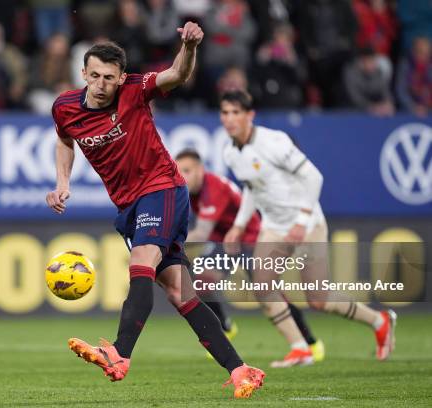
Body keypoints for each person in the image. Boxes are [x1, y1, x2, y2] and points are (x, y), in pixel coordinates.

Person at [46, 24, 265, 399]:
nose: (101, 84)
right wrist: (62, 182)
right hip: (128, 204)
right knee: (182, 294)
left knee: (141, 263)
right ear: (83, 73)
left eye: (109, 78)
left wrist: (188, 46)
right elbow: (65, 140)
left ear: (121, 78)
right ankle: (242, 369)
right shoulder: (65, 107)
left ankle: (119, 354)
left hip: (162, 188)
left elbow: (177, 73)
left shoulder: (135, 89)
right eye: (94, 75)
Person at [220, 89, 396, 365]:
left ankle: (379, 321)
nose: (229, 119)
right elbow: (252, 187)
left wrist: (301, 223)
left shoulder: (274, 142)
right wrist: (239, 225)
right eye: (225, 112)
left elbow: (314, 177)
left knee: (318, 297)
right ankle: (300, 347)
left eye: (236, 112)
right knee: (263, 285)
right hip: (275, 227)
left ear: (249, 115)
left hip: (308, 223)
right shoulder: (230, 152)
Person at [175, 148, 325, 365]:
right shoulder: (189, 192)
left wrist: (166, 241)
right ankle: (225, 327)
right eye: (179, 172)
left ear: (200, 170)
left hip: (250, 240)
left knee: (269, 294)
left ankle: (310, 342)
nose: (183, 176)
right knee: (202, 283)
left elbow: (202, 233)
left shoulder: (214, 187)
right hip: (224, 241)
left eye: (187, 170)